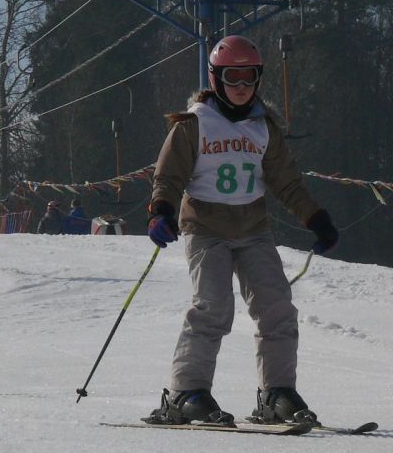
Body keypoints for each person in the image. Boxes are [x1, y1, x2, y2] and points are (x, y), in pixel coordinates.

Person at [145, 35, 338, 426]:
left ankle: (277, 393)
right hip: (205, 228)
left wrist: (316, 218)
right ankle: (187, 392)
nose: (241, 87)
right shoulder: (194, 124)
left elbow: (287, 184)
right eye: (232, 78)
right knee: (213, 307)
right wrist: (160, 211)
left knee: (277, 307)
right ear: (216, 79)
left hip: (253, 229)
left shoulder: (263, 128)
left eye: (249, 78)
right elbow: (168, 176)